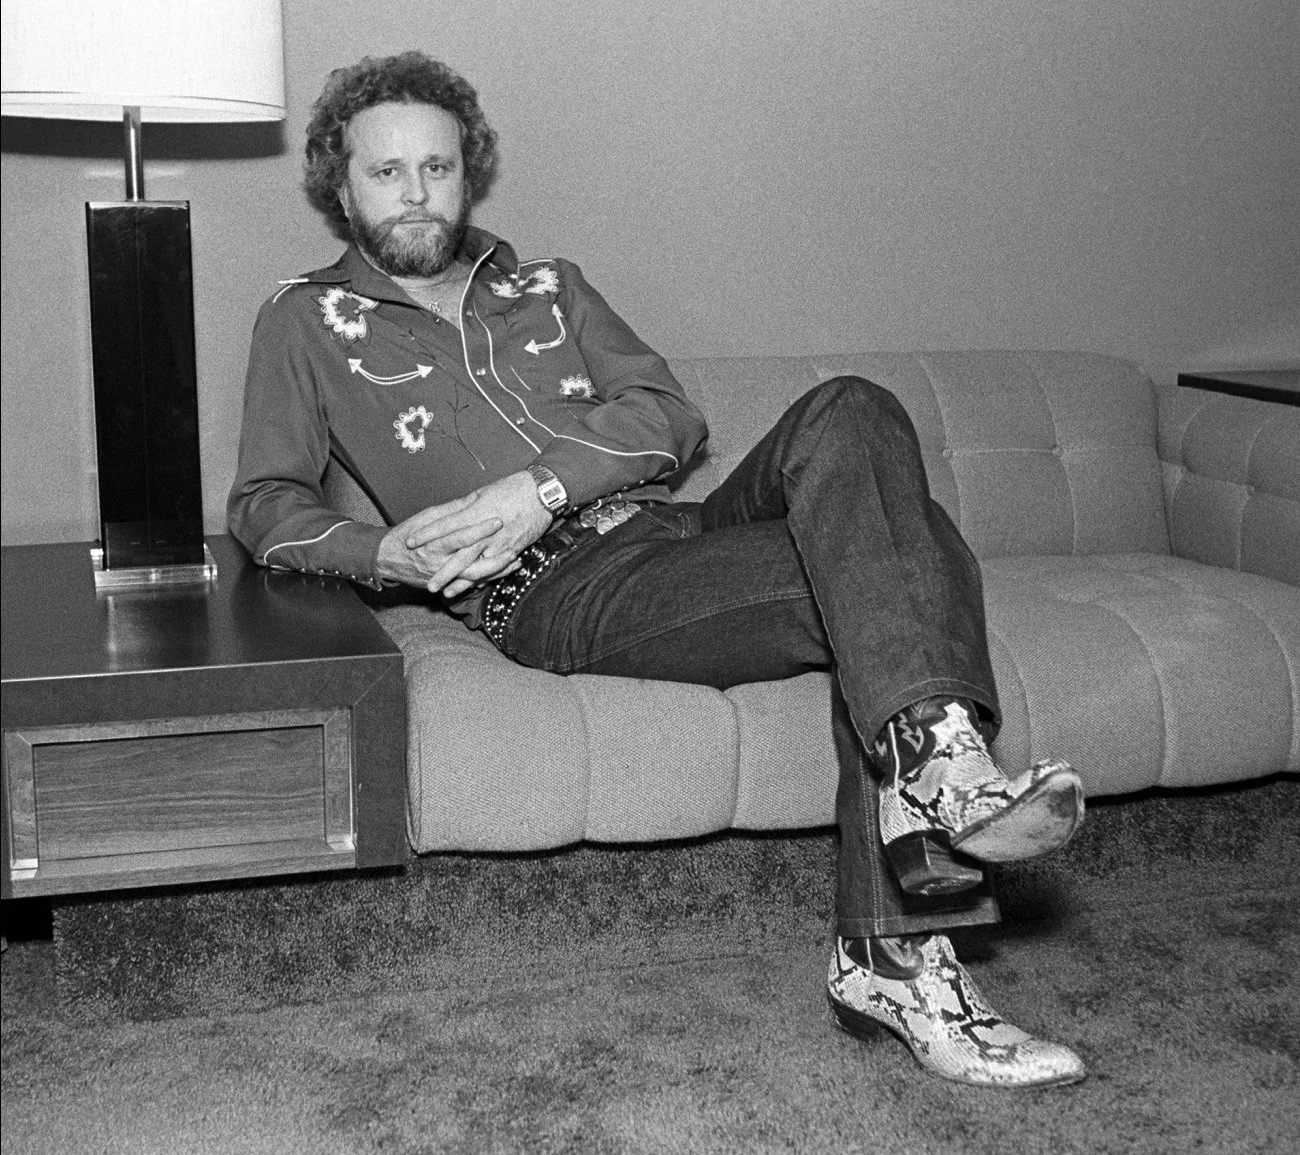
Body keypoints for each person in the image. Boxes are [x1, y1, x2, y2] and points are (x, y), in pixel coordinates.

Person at [229, 50, 1088, 1088]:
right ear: (341, 185)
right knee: (908, 553)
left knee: (854, 407)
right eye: (386, 172)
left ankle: (922, 798)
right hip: (558, 588)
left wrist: (536, 486)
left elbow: (671, 416)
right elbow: (264, 504)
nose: (416, 194)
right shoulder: (306, 320)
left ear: (469, 173)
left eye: (437, 167)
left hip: (674, 530)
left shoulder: (549, 287)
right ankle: (905, 925)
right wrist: (381, 551)